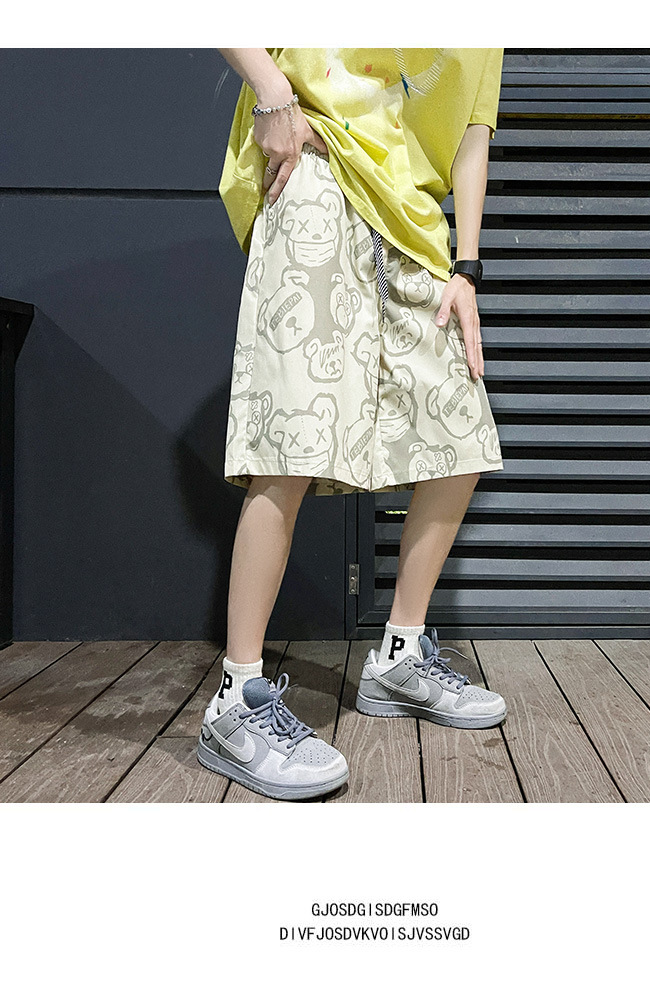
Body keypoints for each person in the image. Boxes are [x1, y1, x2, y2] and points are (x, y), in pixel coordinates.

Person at [197, 48, 508, 801]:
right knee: (292, 442)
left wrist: (467, 267)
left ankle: (399, 654)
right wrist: (272, 91)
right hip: (316, 170)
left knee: (460, 432)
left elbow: (473, 131)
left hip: (413, 222)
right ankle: (235, 701)